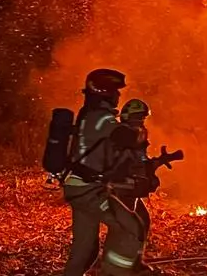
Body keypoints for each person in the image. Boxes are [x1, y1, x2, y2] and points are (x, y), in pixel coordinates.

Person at [63, 69, 146, 276]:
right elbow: (127, 137)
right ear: (104, 92)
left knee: (83, 252)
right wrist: (138, 127)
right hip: (88, 191)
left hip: (78, 187)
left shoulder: (90, 116)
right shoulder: (101, 119)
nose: (118, 96)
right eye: (115, 91)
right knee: (130, 227)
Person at [114, 98, 155, 271]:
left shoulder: (137, 133)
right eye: (137, 117)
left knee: (142, 221)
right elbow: (121, 162)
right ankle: (123, 264)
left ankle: (133, 260)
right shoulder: (122, 134)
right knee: (130, 224)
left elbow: (140, 158)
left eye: (142, 117)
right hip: (122, 187)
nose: (140, 121)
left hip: (131, 186)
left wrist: (150, 169)